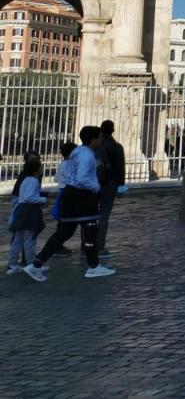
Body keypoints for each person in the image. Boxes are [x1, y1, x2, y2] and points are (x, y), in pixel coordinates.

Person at [24, 126, 114, 281]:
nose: (101, 140)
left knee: (64, 232)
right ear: (92, 139)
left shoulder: (77, 153)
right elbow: (82, 178)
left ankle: (36, 264)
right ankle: (93, 267)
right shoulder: (86, 156)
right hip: (82, 196)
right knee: (91, 229)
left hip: (70, 194)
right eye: (99, 137)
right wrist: (96, 187)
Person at [8, 152, 46, 274]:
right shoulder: (33, 181)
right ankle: (32, 264)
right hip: (29, 212)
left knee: (17, 240)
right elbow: (28, 197)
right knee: (30, 240)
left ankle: (13, 265)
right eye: (40, 167)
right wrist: (43, 199)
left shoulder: (25, 180)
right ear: (35, 170)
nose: (42, 169)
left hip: (21, 211)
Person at [95, 118, 125, 259]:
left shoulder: (95, 146)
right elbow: (120, 168)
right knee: (104, 215)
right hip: (110, 184)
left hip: (93, 183)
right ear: (112, 130)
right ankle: (99, 246)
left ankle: (87, 245)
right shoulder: (116, 147)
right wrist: (121, 186)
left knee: (90, 215)